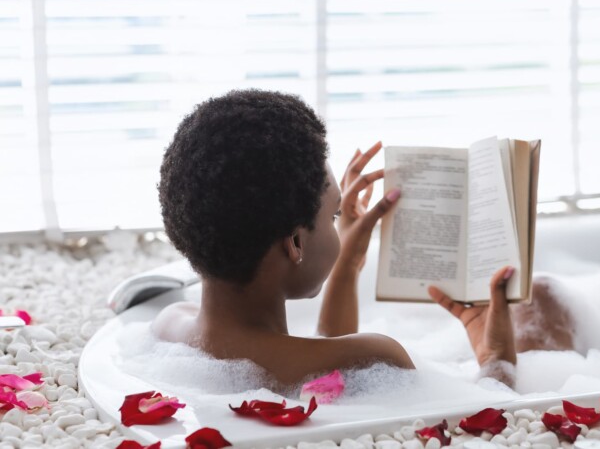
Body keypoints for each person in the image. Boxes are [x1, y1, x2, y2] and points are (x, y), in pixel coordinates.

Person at [151, 89, 574, 389]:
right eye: (334, 215)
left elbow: (314, 358)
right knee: (544, 298)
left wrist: (347, 267)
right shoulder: (377, 358)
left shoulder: (170, 327)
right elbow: (482, 421)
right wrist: (496, 360)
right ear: (296, 244)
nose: (339, 225)